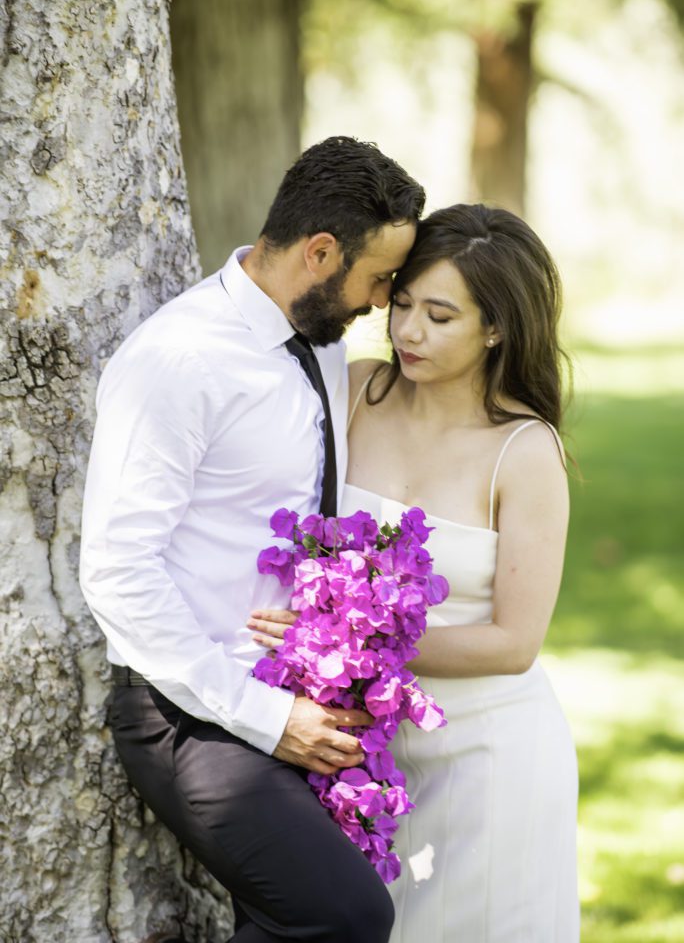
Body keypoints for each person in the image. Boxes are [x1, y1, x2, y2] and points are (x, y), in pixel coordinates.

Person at [79, 135, 425, 942]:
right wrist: (268, 720)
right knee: (343, 917)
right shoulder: (179, 360)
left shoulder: (322, 341)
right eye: (378, 281)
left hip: (296, 695)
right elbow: (117, 571)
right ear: (320, 252)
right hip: (191, 711)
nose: (381, 304)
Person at [249, 203, 579, 941]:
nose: (408, 332)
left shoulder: (524, 451)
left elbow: (513, 643)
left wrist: (337, 644)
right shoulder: (359, 392)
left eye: (439, 315)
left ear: (496, 327)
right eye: (401, 304)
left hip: (488, 760)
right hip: (362, 755)